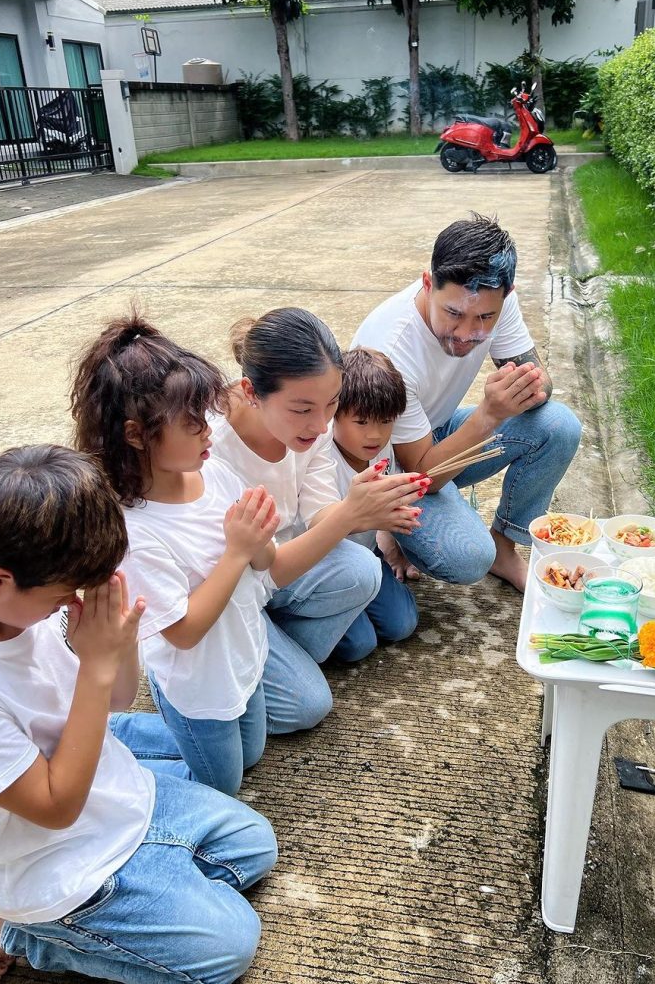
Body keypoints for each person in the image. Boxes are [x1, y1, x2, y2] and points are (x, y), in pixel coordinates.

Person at [0, 445, 277, 984]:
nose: (70, 606)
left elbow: (113, 701)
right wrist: (96, 665)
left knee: (256, 844)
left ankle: (153, 890)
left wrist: (120, 645)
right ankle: (30, 935)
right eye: (64, 597)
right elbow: (55, 807)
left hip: (114, 791)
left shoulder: (22, 600)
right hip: (59, 864)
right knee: (229, 947)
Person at [71, 316, 336, 796]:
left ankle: (124, 737)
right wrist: (237, 551)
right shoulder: (136, 529)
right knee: (219, 785)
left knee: (252, 753)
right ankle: (101, 750)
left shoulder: (213, 473)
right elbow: (185, 631)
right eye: (193, 424)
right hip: (198, 685)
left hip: (242, 656)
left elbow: (266, 564)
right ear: (136, 435)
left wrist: (259, 540)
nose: (208, 431)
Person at [352, 213, 582, 592]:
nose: (466, 333)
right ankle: (388, 528)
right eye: (453, 314)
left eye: (484, 318)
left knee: (558, 425)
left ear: (505, 296)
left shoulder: (498, 302)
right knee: (468, 557)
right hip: (388, 465)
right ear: (429, 283)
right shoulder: (391, 349)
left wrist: (531, 383)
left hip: (435, 433)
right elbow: (423, 476)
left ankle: (504, 546)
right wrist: (490, 413)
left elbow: (541, 383)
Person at [210, 308, 428, 664]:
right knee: (312, 697)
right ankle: (269, 650)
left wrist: (369, 509)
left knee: (367, 599)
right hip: (234, 585)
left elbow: (319, 509)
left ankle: (280, 649)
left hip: (287, 562)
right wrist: (354, 513)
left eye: (332, 403)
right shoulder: (214, 447)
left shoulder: (317, 425)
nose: (320, 423)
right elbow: (259, 568)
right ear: (251, 391)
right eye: (302, 409)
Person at [331, 347, 419, 660]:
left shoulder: (383, 450)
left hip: (367, 553)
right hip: (327, 565)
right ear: (333, 412)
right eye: (361, 421)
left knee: (403, 624)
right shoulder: (320, 459)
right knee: (359, 644)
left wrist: (394, 525)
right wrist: (374, 518)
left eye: (385, 421)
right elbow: (317, 528)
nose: (375, 434)